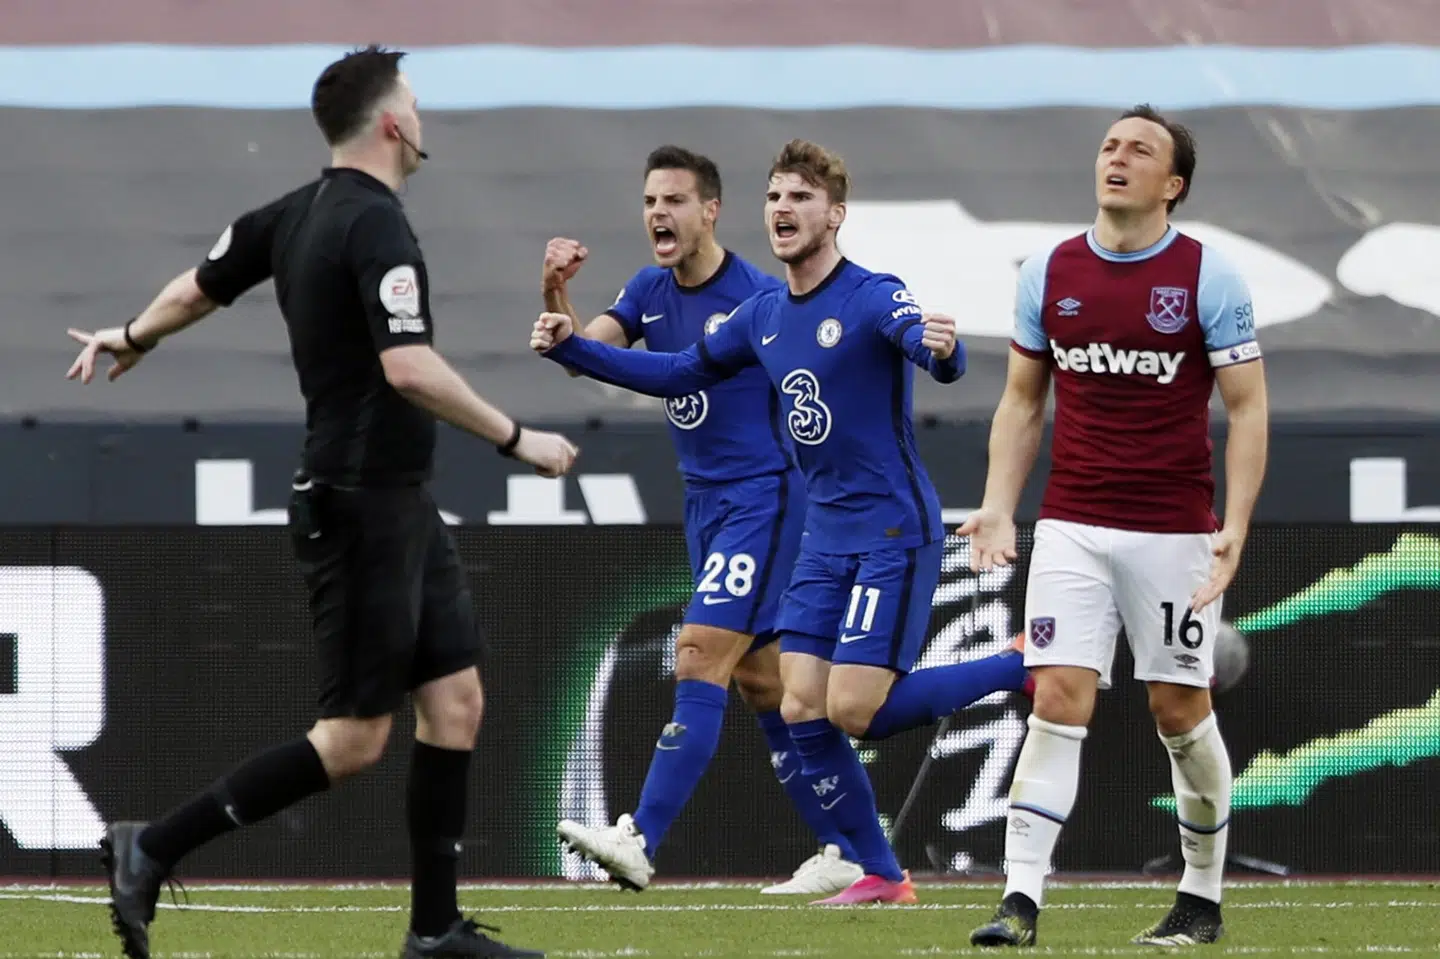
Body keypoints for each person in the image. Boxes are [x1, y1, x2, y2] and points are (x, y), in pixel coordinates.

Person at [65, 46, 572, 959]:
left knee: (455, 701)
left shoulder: (295, 212)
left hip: (398, 502)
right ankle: (155, 844)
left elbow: (201, 283)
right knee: (349, 741)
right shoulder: (374, 226)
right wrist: (516, 438)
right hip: (358, 503)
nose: (423, 118)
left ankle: (433, 931)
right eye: (414, 103)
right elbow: (408, 366)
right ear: (392, 124)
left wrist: (132, 334)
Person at [530, 139, 1031, 906]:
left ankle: (1022, 663)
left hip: (889, 528)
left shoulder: (870, 295)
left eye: (800, 197)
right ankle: (881, 873)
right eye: (776, 197)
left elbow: (926, 347)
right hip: (824, 534)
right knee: (795, 702)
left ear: (834, 214)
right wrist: (576, 348)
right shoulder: (761, 314)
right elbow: (674, 372)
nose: (784, 210)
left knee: (852, 709)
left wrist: (948, 352)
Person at [961, 104, 1268, 948]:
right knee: (1057, 696)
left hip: (1172, 530)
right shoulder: (1049, 271)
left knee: (1177, 709)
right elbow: (1023, 401)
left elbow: (1247, 409)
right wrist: (998, 502)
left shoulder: (1209, 276)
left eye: (1139, 149)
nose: (1117, 157)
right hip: (1072, 523)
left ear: (1173, 185)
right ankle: (1019, 900)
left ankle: (1200, 898)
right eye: (1109, 145)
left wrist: (1233, 523)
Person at [543, 145, 864, 896]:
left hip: (764, 498)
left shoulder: (756, 296)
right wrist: (555, 292)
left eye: (675, 201)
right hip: (707, 506)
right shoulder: (649, 288)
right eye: (651, 200)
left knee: (696, 654)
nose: (659, 213)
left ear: (710, 211)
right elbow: (584, 351)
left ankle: (638, 836)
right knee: (768, 684)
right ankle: (852, 847)